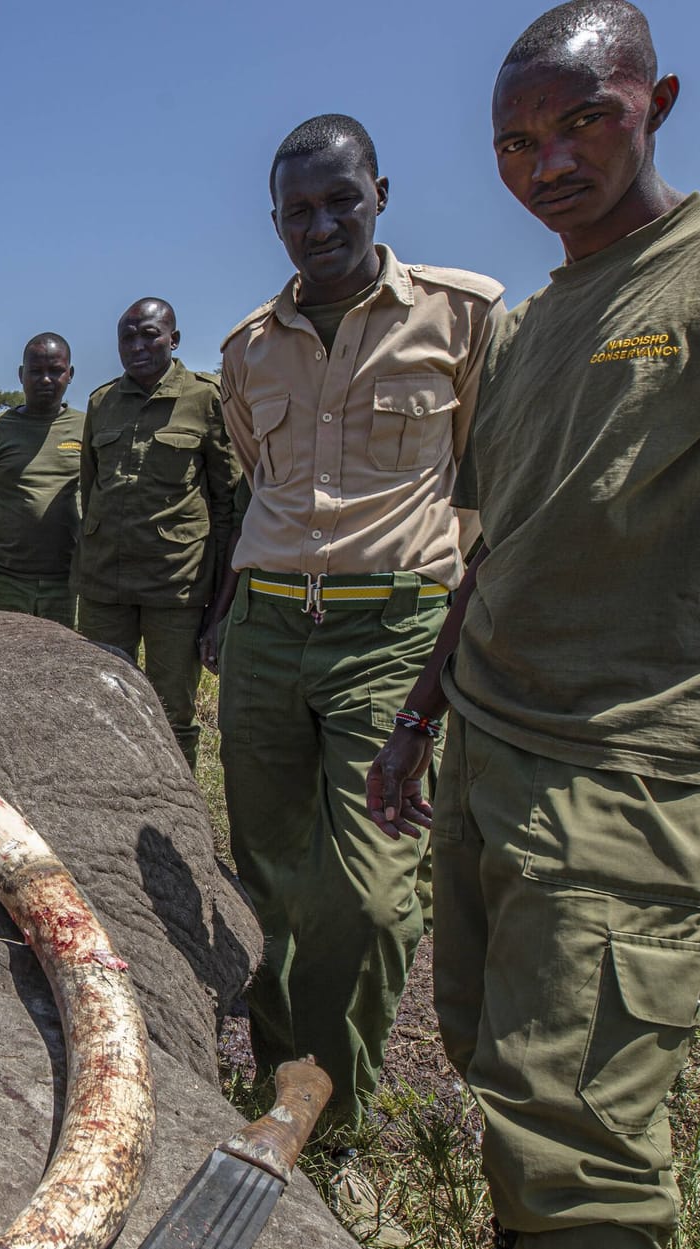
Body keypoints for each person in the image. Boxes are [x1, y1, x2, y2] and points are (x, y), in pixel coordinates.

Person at [366, 4, 700, 1249]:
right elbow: (504, 545)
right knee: (505, 1069)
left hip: (621, 768)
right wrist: (424, 710)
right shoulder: (536, 323)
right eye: (517, 141)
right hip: (490, 746)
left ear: (657, 101)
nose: (549, 162)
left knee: (583, 1145)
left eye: (583, 119)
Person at [212, 114, 504, 1125]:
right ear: (275, 220)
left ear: (382, 192)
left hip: (393, 634)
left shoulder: (467, 317)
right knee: (271, 873)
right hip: (266, 628)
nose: (320, 223)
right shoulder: (247, 347)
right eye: (298, 210)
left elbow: (486, 480)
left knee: (374, 894)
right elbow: (260, 476)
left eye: (341, 200)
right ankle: (279, 1076)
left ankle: (329, 1115)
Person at [75, 299, 238, 766]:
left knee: (172, 713)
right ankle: (110, 798)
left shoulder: (207, 399)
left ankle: (175, 810)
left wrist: (220, 606)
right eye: (128, 337)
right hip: (107, 588)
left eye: (149, 335)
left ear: (174, 339)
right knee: (101, 704)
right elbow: (93, 492)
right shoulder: (101, 402)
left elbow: (228, 506)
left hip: (176, 588)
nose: (138, 346)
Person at [0, 333, 85, 627]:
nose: (46, 380)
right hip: (7, 580)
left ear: (70, 374)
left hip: (67, 583)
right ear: (21, 374)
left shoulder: (88, 426)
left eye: (55, 371)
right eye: (36, 371)